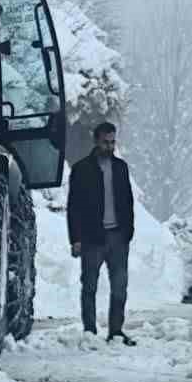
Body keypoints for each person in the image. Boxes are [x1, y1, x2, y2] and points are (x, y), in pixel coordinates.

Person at [67, 121, 136, 344]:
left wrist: (128, 231)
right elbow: (74, 207)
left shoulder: (121, 168)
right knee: (89, 285)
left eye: (113, 141)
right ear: (96, 141)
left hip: (118, 236)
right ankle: (90, 331)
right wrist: (76, 239)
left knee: (119, 287)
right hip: (92, 237)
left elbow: (128, 201)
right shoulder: (81, 169)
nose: (110, 146)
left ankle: (116, 331)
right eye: (106, 142)